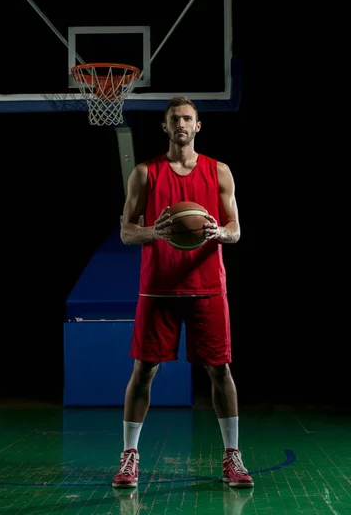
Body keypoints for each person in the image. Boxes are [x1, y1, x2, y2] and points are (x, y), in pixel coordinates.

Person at [112, 96, 253, 490]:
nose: (181, 124)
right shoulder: (144, 173)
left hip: (208, 286)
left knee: (219, 370)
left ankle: (232, 455)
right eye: (174, 118)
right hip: (158, 288)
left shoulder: (219, 171)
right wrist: (154, 232)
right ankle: (130, 456)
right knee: (144, 370)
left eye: (187, 118)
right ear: (165, 126)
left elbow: (235, 228)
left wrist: (219, 232)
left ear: (198, 126)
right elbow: (126, 231)